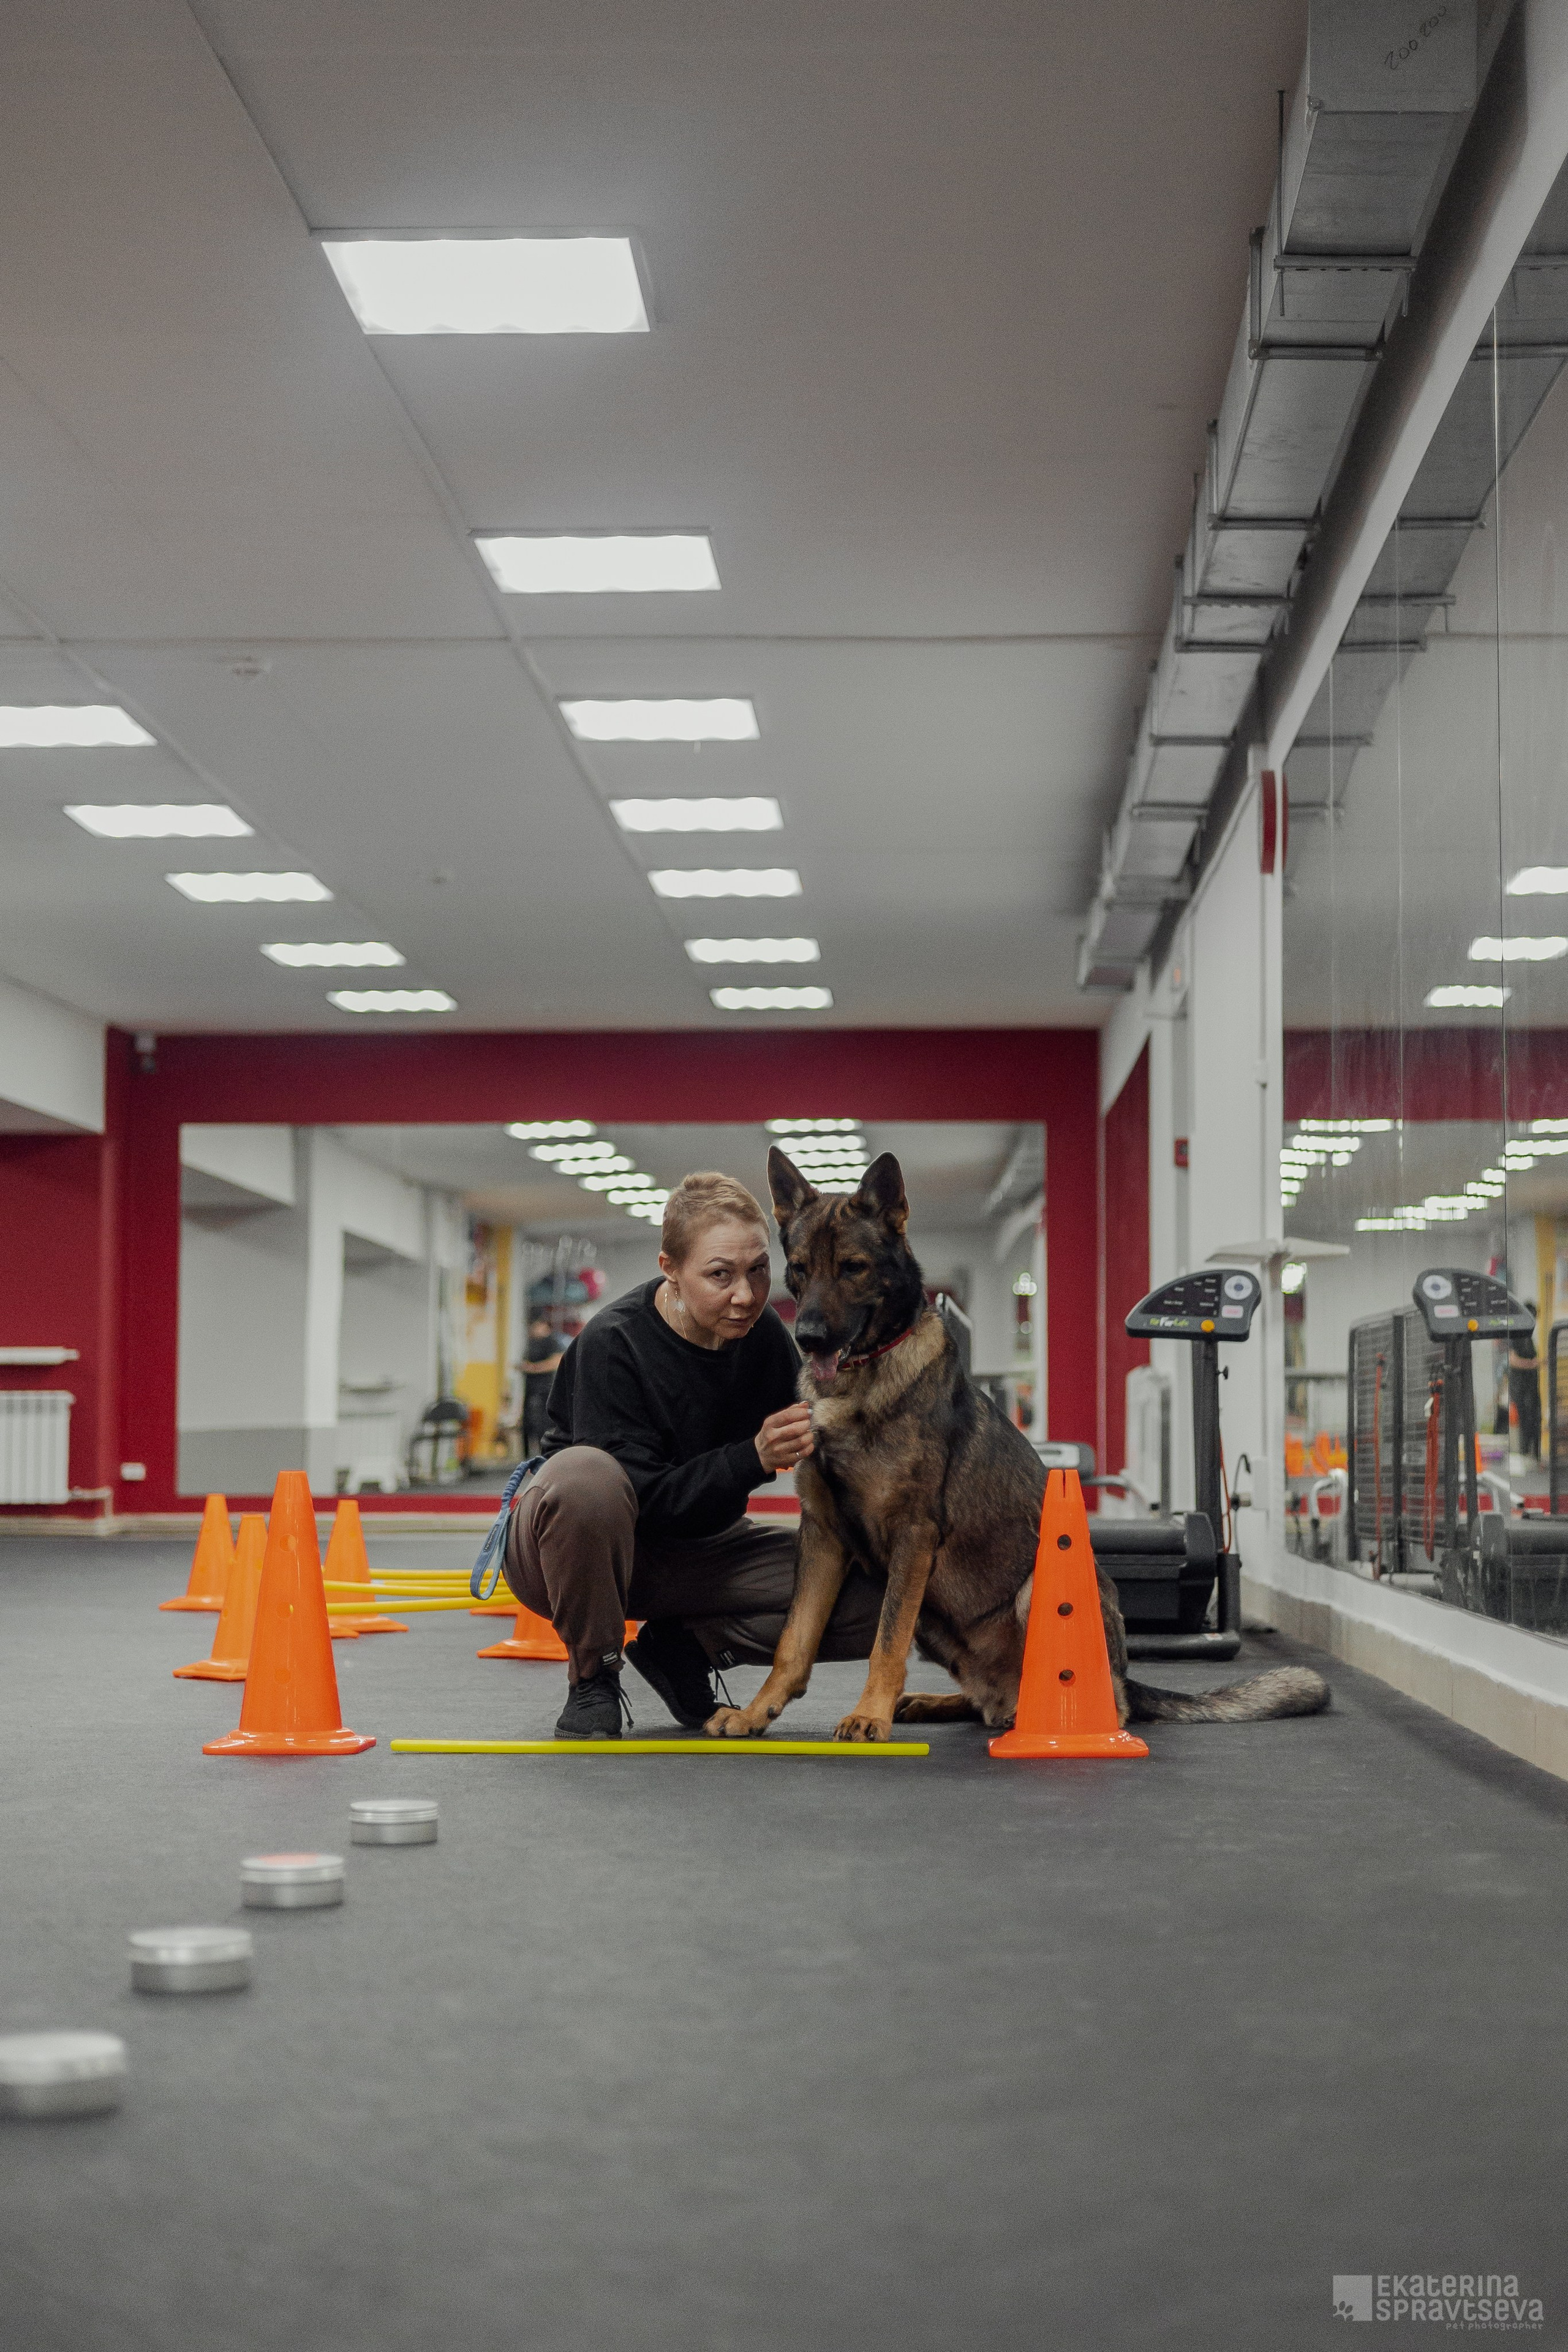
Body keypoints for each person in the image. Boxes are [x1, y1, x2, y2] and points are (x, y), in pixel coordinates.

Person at [502, 1170, 882, 1737]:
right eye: (720, 1275)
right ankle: (593, 1677)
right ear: (671, 1272)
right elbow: (647, 1499)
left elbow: (833, 1433)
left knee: (880, 1588)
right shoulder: (614, 1343)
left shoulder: (763, 1338)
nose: (747, 1295)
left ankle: (684, 1647)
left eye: (758, 1271)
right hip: (578, 1553)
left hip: (700, 1552)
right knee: (586, 1477)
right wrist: (752, 1456)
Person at [519, 1311, 564, 1457]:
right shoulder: (531, 1343)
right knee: (528, 1424)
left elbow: (557, 1361)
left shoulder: (552, 1341)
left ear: (543, 1325)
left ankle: (546, 1454)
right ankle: (527, 1457)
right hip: (530, 1388)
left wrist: (535, 1368)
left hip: (546, 1389)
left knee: (543, 1424)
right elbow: (525, 1362)